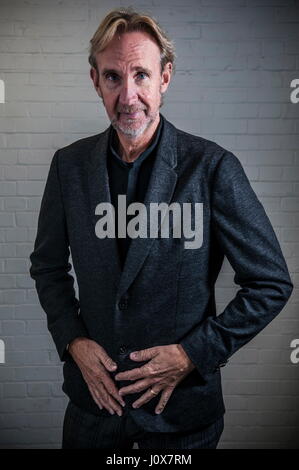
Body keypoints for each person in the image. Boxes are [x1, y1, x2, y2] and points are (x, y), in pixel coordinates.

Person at [29, 8, 293, 449]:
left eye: (141, 75)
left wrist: (193, 354)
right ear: (95, 81)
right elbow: (47, 267)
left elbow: (270, 283)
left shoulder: (212, 168)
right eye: (113, 77)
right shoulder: (68, 168)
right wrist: (72, 339)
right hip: (93, 414)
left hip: (181, 422)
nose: (128, 95)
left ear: (164, 78)